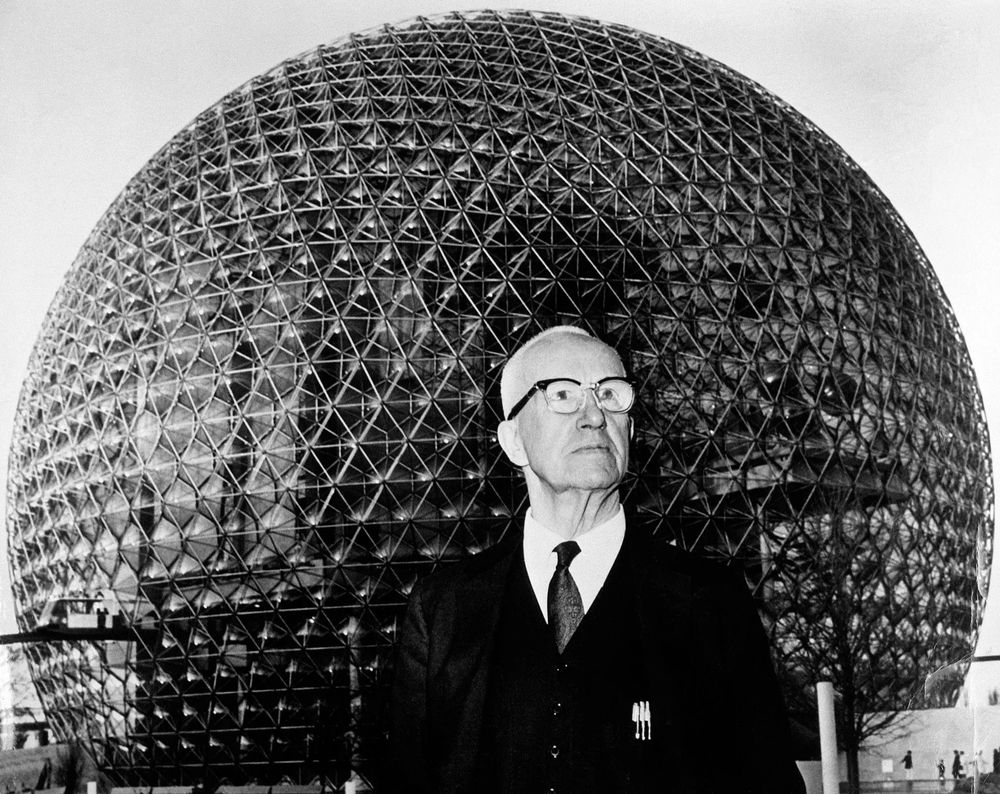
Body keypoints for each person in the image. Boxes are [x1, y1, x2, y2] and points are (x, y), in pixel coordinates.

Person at [387, 325, 804, 793]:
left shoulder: (709, 602)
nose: (594, 415)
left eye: (610, 395)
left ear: (631, 427)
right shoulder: (442, 610)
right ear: (513, 441)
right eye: (562, 394)